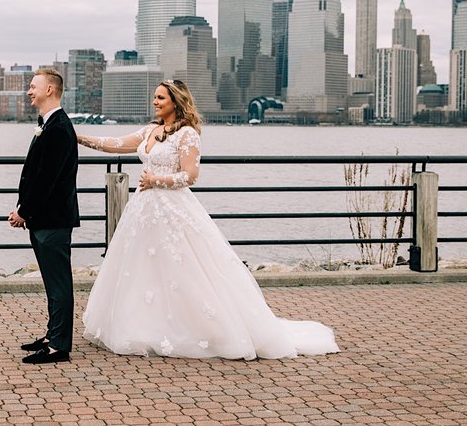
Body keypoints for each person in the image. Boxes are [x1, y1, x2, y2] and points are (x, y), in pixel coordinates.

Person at [76, 80, 339, 359]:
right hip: (143, 211)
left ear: (176, 102)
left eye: (161, 98)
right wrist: (78, 137)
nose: (155, 102)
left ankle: (196, 328)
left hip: (172, 210)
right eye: (154, 97)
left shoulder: (187, 134)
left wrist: (157, 179)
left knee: (182, 270)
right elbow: (115, 144)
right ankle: (144, 327)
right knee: (144, 269)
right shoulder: (150, 130)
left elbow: (190, 175)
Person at [9, 68, 80, 364]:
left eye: (33, 86)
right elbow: (36, 176)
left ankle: (58, 347)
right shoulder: (50, 125)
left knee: (59, 283)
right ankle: (54, 334)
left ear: (49, 90)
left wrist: (23, 212)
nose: (29, 91)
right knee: (52, 283)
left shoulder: (59, 128)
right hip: (46, 218)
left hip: (52, 219)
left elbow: (45, 180)